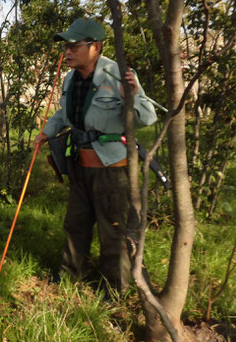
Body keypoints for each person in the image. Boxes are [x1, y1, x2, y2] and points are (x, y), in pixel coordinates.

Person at [35, 17, 157, 293]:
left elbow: (148, 117)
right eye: (66, 46)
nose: (67, 51)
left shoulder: (120, 75)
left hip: (112, 168)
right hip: (79, 164)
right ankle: (69, 273)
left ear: (96, 47)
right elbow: (63, 114)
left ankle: (115, 288)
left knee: (112, 230)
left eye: (74, 46)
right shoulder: (70, 78)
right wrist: (47, 132)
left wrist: (134, 95)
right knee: (75, 224)